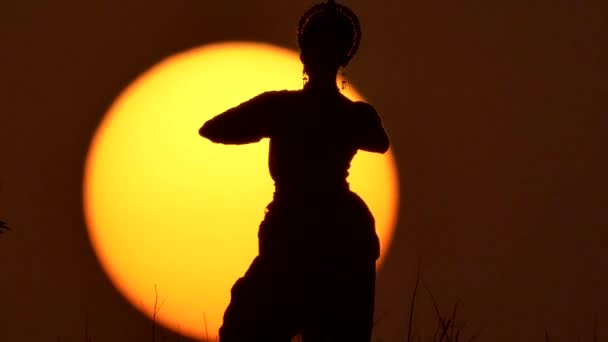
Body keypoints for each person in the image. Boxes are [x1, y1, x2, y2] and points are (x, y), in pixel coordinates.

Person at [199, 1, 389, 340]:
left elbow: (214, 129)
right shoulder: (350, 114)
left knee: (248, 325)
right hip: (337, 227)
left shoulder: (283, 106)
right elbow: (379, 141)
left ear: (304, 54)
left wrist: (271, 117)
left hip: (299, 227)